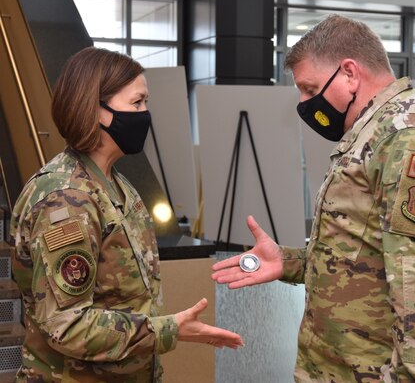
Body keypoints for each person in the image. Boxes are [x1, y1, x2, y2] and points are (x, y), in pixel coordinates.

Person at [212, 14, 415, 382]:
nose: (305, 103)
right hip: (341, 365)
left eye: (310, 89)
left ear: (349, 73)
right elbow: (366, 249)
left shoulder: (411, 140)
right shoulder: (376, 130)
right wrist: (290, 261)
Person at [10, 47, 243, 382]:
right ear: (95, 110)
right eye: (136, 103)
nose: (145, 114)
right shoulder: (65, 199)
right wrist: (169, 330)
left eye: (145, 103)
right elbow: (67, 324)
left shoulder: (116, 184)